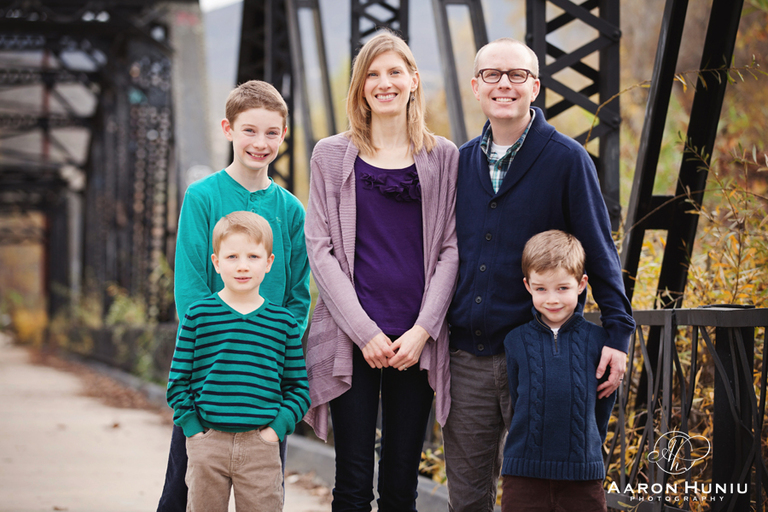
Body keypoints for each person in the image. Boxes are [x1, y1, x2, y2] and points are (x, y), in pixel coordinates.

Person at [443, 37, 635, 511]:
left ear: (536, 87)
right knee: (466, 500)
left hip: (542, 357)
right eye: (492, 75)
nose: (504, 85)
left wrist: (619, 332)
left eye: (517, 75)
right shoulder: (458, 162)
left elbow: (599, 249)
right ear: (476, 86)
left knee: (546, 495)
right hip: (467, 357)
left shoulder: (566, 159)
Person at [303, 30, 459, 511]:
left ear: (414, 79)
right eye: (372, 74)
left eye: (394, 72)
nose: (384, 83)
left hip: (415, 340)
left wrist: (424, 331)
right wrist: (364, 331)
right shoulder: (330, 155)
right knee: (351, 485)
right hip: (352, 338)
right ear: (360, 86)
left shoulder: (443, 156)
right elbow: (320, 249)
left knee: (400, 486)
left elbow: (451, 249)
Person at [157, 80, 311, 512]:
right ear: (228, 129)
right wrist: (217, 345)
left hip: (263, 378)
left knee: (262, 494)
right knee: (182, 493)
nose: (260, 143)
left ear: (283, 135)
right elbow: (190, 286)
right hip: (209, 373)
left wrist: (273, 343)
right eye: (249, 131)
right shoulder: (202, 197)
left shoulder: (291, 209)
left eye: (271, 133)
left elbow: (298, 293)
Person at [166, 211, 310, 511]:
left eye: (253, 256)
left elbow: (298, 388)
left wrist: (275, 431)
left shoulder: (283, 323)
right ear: (216, 262)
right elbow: (177, 383)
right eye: (232, 257)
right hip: (208, 444)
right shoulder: (198, 316)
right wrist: (194, 431)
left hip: (261, 446)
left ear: (268, 262)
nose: (242, 266)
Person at [501, 230, 615, 512]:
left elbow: (603, 406)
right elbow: (515, 402)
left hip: (582, 477)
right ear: (528, 286)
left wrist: (588, 451)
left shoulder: (599, 341)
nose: (552, 299)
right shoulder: (515, 341)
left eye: (562, 288)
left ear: (581, 284)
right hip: (523, 476)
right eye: (541, 289)